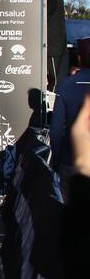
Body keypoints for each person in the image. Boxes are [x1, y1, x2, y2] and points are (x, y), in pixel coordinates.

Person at [52, 40, 90, 191]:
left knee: (70, 210)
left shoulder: (66, 85)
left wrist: (56, 161)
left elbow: (56, 129)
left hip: (71, 160)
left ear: (79, 58)